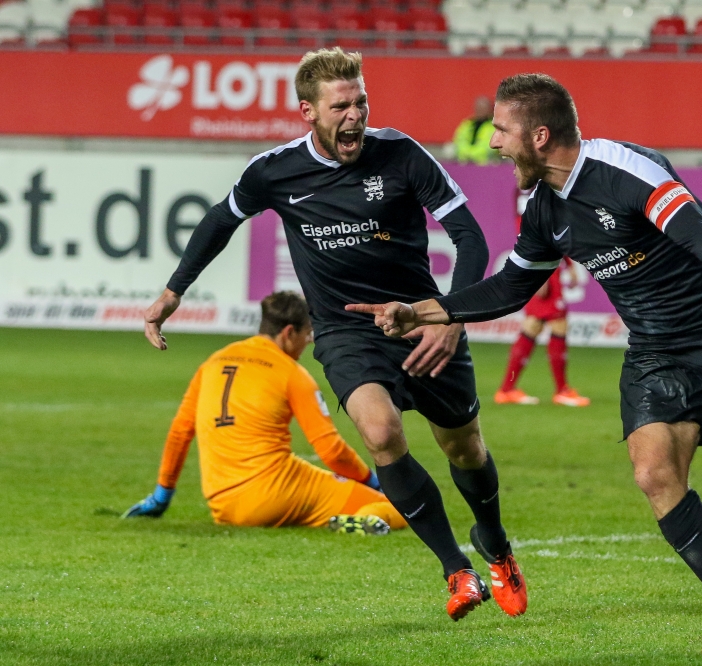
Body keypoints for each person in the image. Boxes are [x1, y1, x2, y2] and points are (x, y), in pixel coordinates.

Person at [347, 73, 702, 653]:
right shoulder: (543, 208)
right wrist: (424, 312)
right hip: (655, 349)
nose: (492, 143)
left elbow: (696, 229)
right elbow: (511, 288)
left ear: (539, 135)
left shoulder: (624, 168)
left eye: (501, 130)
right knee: (654, 474)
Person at [142, 49, 527, 622]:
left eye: (362, 102)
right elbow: (220, 220)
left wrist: (450, 318)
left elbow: (470, 239)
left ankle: (495, 545)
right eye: (341, 106)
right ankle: (457, 569)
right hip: (348, 330)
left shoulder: (401, 154)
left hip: (422, 320)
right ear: (308, 112)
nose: (356, 116)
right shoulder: (273, 171)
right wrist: (174, 291)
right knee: (379, 431)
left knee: (463, 447)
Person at [124, 291, 405, 535]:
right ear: (288, 333)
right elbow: (330, 449)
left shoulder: (214, 361)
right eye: (307, 334)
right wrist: (373, 481)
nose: (309, 342)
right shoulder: (291, 373)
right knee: (400, 507)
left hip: (223, 505)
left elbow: (180, 431)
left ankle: (335, 519)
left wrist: (163, 494)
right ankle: (358, 521)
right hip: (274, 492)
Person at [494, 258, 590, 407]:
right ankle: (562, 390)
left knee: (533, 326)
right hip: (545, 268)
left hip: (548, 267)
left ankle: (507, 389)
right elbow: (533, 236)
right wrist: (539, 273)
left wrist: (569, 265)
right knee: (557, 323)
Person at [452, 96, 499, 165]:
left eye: (483, 108)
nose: (480, 110)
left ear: (490, 109)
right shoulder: (467, 124)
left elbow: (490, 147)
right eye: (478, 108)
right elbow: (459, 141)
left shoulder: (495, 126)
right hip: (465, 160)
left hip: (486, 163)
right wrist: (466, 153)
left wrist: (472, 154)